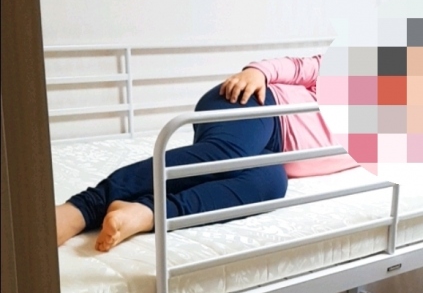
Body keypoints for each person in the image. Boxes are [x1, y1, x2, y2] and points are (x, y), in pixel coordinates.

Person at [55, 55, 358, 251]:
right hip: (258, 104)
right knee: (229, 153)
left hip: (273, 153)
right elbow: (302, 66)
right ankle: (84, 207)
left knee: (271, 185)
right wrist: (258, 72)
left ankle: (147, 212)